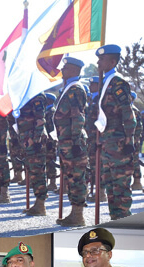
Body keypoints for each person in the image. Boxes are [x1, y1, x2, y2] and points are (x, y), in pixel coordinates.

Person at [93, 44, 137, 220]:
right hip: (108, 143)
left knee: (121, 188)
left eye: (102, 59)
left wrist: (129, 140)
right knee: (110, 186)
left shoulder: (118, 82)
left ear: (112, 61)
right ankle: (115, 220)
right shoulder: (107, 82)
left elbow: (128, 112)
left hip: (119, 143)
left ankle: (125, 223)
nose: (98, 62)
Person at [53, 57, 88, 227]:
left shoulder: (75, 89)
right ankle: (74, 214)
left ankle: (78, 216)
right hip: (66, 141)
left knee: (76, 178)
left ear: (74, 70)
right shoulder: (68, 89)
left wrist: (75, 142)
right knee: (70, 178)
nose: (62, 71)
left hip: (73, 143)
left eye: (65, 68)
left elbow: (78, 117)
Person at [16, 93, 49, 216]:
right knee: (33, 172)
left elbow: (40, 120)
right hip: (27, 139)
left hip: (34, 141)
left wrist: (35, 140)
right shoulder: (26, 94)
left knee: (38, 171)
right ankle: (38, 203)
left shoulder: (37, 95)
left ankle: (41, 205)